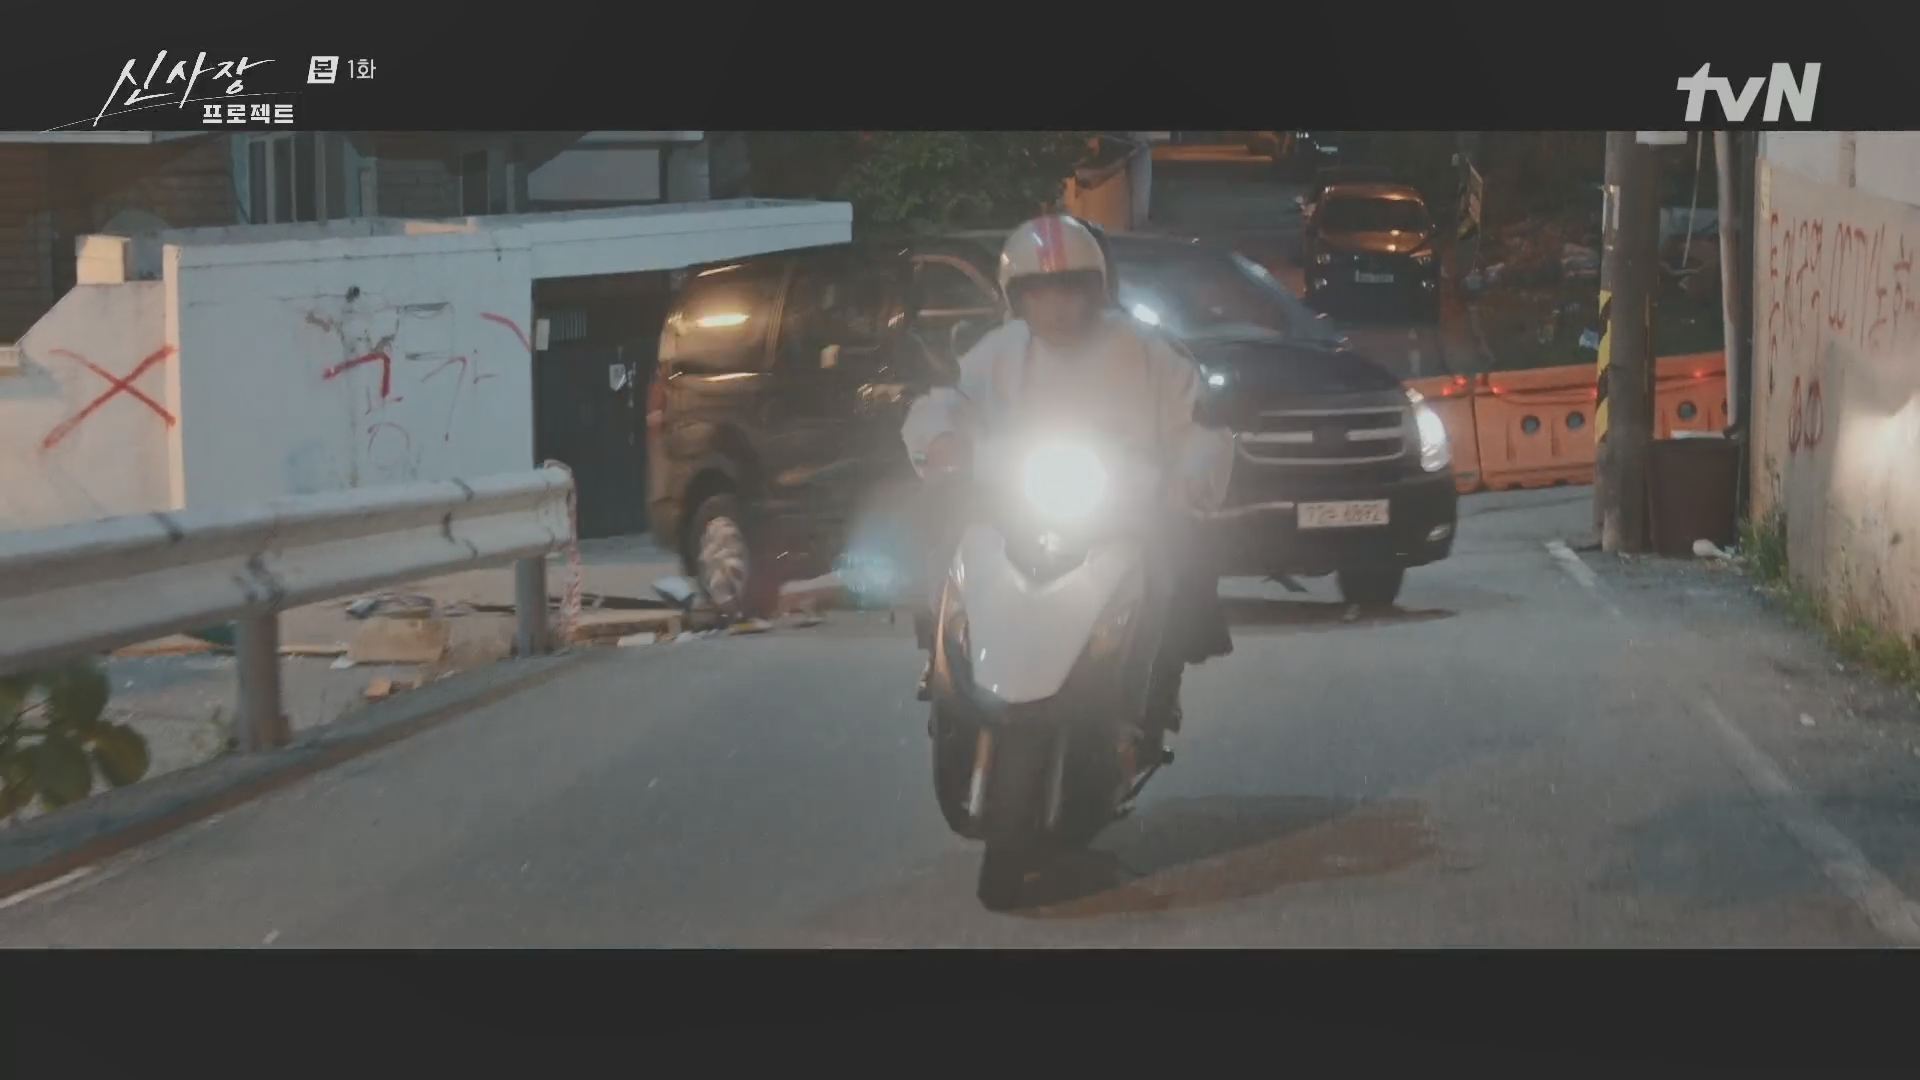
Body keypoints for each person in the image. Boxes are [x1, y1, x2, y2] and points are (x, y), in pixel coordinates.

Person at [902, 213, 1234, 729]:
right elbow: (947, 401)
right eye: (1040, 292)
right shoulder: (997, 352)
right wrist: (941, 438)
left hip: (1126, 506)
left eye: (1070, 289)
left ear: (1096, 290)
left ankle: (1160, 680)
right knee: (941, 525)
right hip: (1010, 502)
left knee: (1179, 560)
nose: (1056, 306)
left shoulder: (1150, 351)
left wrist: (1190, 476)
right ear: (1017, 297)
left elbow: (1196, 427)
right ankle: (940, 651)